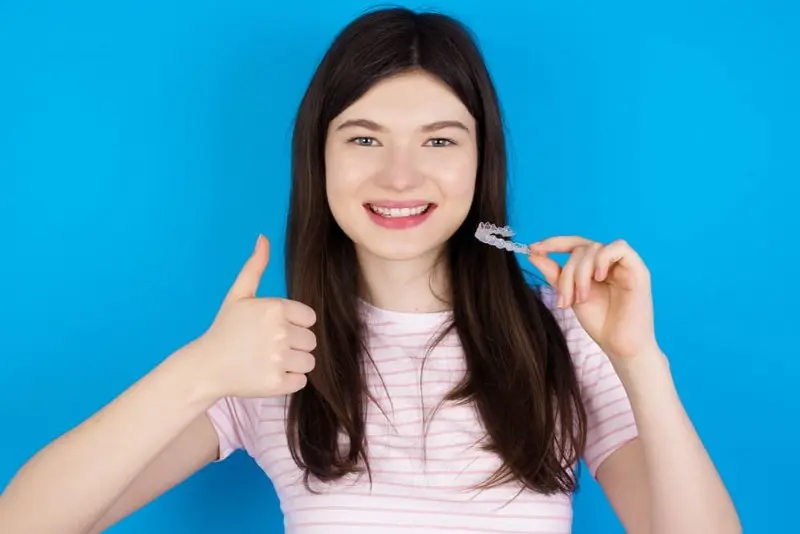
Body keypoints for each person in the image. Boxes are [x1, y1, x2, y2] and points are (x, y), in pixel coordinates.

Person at [0, 7, 740, 534]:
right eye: (363, 138)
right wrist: (200, 370)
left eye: (440, 141)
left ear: (481, 164)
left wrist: (640, 361)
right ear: (317, 160)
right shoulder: (267, 358)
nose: (400, 175)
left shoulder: (561, 339)